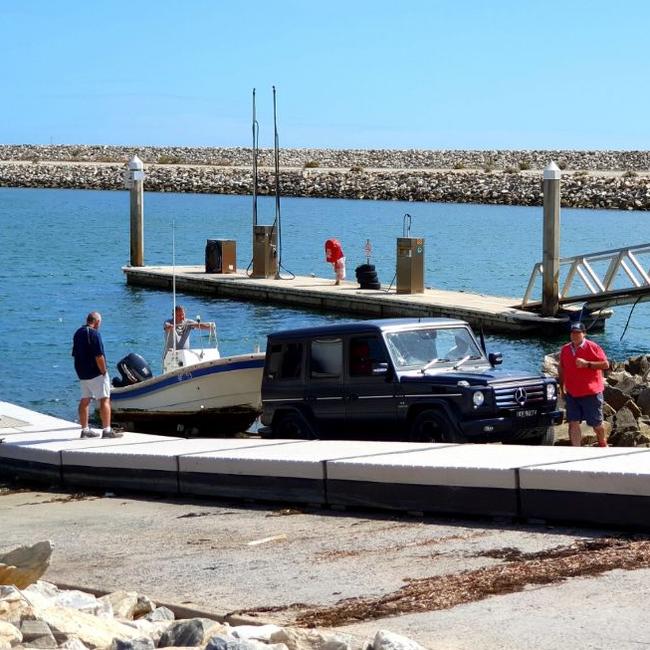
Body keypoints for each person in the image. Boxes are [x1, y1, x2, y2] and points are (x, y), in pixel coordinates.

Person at [558, 322, 609, 447]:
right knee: (573, 422)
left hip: (591, 393)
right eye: (573, 333)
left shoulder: (593, 347)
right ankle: (577, 450)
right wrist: (561, 387)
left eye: (578, 333)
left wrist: (587, 364)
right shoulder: (565, 349)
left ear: (584, 333)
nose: (575, 335)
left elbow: (606, 364)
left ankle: (603, 443)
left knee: (596, 424)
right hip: (572, 393)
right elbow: (561, 368)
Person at [72, 311, 121, 439]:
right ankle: (106, 430)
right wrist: (104, 372)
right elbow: (99, 355)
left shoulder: (78, 333)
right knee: (104, 399)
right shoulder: (94, 334)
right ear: (97, 322)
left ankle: (85, 430)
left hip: (82, 372)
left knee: (85, 399)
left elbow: (74, 354)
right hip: (95, 372)